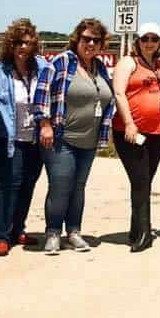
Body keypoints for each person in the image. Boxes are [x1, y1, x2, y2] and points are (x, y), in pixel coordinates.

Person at [34, 18, 115, 256]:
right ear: (77, 40)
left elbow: (107, 98)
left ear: (101, 44)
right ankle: (52, 233)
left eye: (95, 40)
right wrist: (45, 124)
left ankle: (74, 231)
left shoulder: (99, 68)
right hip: (61, 138)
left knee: (78, 187)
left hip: (89, 141)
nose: (90, 43)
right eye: (86, 39)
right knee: (60, 185)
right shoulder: (61, 62)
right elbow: (42, 93)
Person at [0, 18, 50, 255]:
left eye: (27, 42)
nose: (22, 47)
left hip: (34, 138)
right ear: (10, 44)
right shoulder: (0, 69)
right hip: (8, 138)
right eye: (17, 42)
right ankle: (1, 236)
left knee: (27, 185)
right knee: (7, 186)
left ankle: (18, 229)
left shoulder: (42, 68)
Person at [111, 23, 160, 252]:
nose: (149, 43)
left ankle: (136, 228)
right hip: (132, 132)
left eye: (154, 39)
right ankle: (144, 233)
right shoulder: (128, 63)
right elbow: (119, 92)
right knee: (140, 180)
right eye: (145, 38)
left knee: (145, 181)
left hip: (158, 132)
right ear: (138, 41)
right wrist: (128, 123)